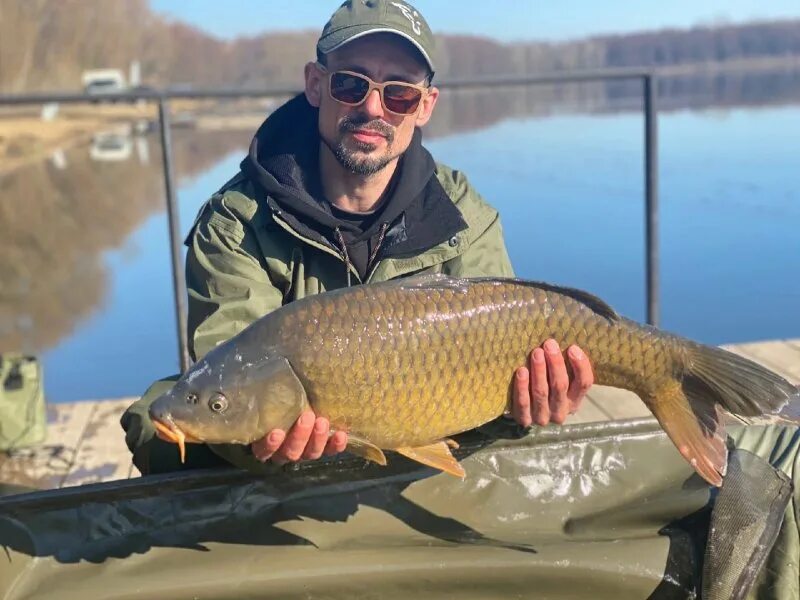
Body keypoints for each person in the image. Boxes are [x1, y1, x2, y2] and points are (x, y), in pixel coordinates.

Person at [121, 0, 595, 475]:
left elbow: (493, 378)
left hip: (424, 447)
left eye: (399, 95)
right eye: (350, 84)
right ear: (315, 84)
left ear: (425, 105)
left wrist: (526, 408)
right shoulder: (236, 225)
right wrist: (259, 448)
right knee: (157, 427)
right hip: (285, 470)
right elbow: (232, 386)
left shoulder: (464, 217)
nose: (372, 108)